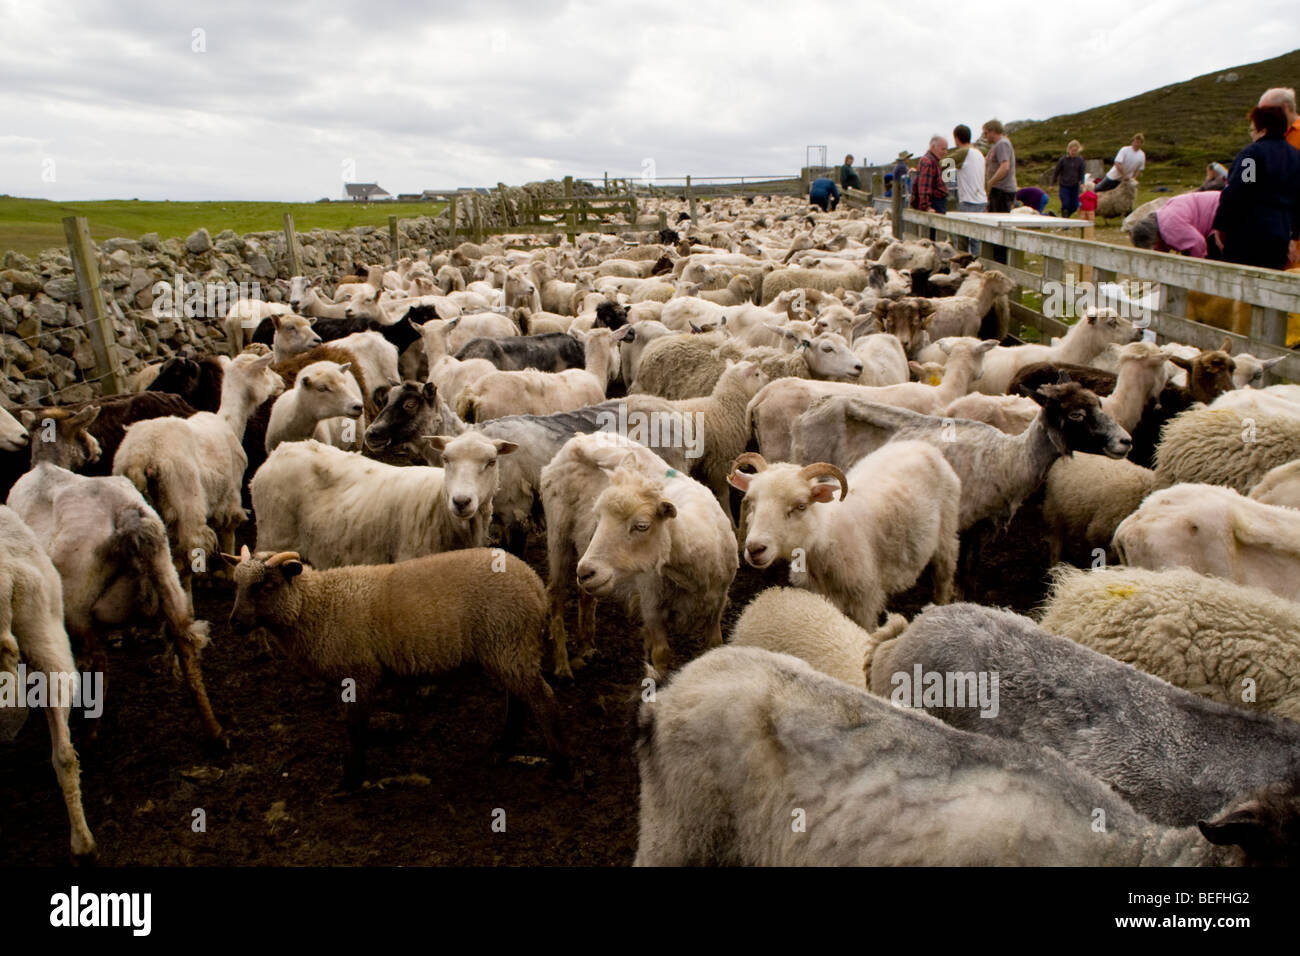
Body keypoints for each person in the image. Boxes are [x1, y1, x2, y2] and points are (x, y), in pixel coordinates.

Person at [1211, 105, 1300, 270]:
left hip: (1248, 233)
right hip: (1280, 234)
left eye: (1252, 130)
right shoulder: (1296, 157)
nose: (1251, 135)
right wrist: (1295, 235)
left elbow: (1240, 190)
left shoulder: (1252, 155)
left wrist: (1220, 225)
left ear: (1262, 130)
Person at [1128, 190, 1222, 258]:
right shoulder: (1161, 219)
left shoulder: (1171, 226)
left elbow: (1198, 244)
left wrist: (1198, 269)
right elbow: (1162, 246)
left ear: (1152, 238)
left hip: (1222, 214)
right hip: (1217, 206)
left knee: (1214, 257)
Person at [983, 119, 1017, 264]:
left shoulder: (1002, 144)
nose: (985, 137)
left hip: (1001, 190)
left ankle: (1001, 261)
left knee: (999, 227)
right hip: (999, 189)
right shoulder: (997, 145)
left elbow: (1005, 167)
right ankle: (997, 258)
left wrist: (990, 183)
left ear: (992, 131)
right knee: (995, 225)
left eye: (986, 133)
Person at [949, 124, 987, 255]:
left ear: (956, 138)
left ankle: (967, 266)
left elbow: (943, 164)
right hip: (981, 200)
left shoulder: (963, 152)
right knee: (976, 237)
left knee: (964, 237)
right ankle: (976, 264)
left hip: (969, 201)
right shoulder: (979, 153)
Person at [911, 135, 949, 214]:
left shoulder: (933, 160)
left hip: (938, 203)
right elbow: (924, 186)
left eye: (946, 149)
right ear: (932, 147)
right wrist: (926, 207)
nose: (945, 152)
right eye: (943, 149)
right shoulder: (928, 162)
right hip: (935, 204)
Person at [1051, 140, 1086, 216]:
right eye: (1072, 150)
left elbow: (1081, 173)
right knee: (1065, 203)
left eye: (1076, 151)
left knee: (1074, 206)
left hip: (1075, 185)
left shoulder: (1080, 160)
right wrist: (1052, 184)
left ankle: (1066, 218)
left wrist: (1082, 183)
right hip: (1064, 185)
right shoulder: (1063, 160)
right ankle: (1065, 221)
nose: (1074, 152)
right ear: (1069, 149)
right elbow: (1056, 172)